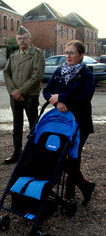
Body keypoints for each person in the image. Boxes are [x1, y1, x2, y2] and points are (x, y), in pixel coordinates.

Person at [43, 40, 95, 206]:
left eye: (72, 53)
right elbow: (46, 91)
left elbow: (84, 98)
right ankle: (85, 185)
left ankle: (70, 194)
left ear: (81, 55)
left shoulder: (87, 75)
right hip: (61, 122)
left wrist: (62, 97)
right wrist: (56, 102)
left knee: (73, 157)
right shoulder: (59, 71)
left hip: (80, 122)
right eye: (67, 52)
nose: (68, 56)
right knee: (57, 154)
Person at [3, 26, 45, 164]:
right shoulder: (14, 56)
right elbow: (6, 73)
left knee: (34, 125)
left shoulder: (37, 54)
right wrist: (13, 92)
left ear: (29, 38)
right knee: (17, 126)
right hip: (15, 96)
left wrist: (20, 91)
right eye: (19, 39)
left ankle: (35, 154)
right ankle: (17, 153)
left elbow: (37, 76)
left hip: (30, 95)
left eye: (24, 38)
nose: (21, 41)